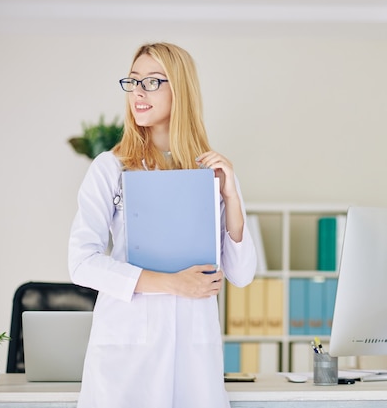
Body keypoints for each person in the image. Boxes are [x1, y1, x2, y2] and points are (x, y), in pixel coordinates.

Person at [68, 42, 257, 408]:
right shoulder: (110, 167)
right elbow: (81, 262)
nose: (138, 92)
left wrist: (231, 196)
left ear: (180, 89)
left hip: (194, 352)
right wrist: (172, 284)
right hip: (127, 352)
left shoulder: (212, 171)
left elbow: (243, 274)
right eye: (133, 81)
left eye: (152, 82)